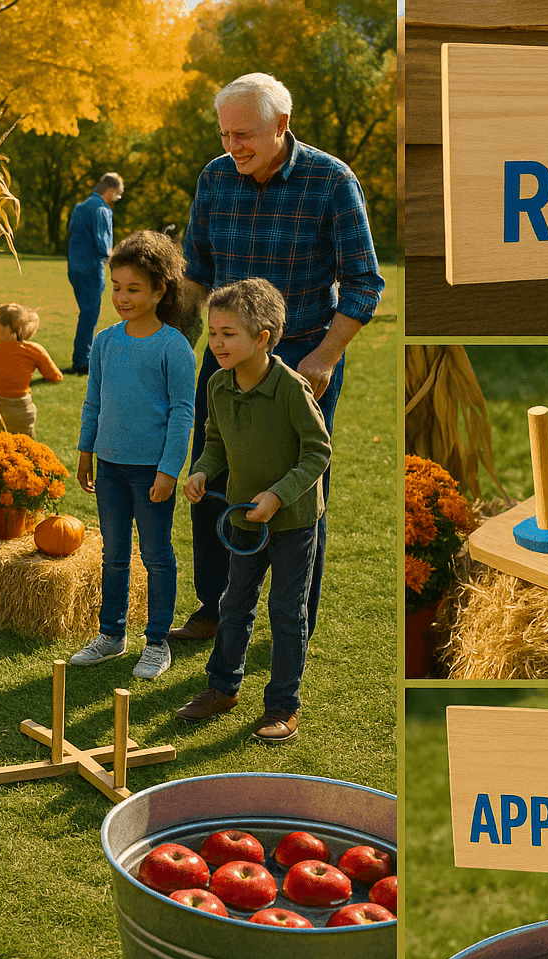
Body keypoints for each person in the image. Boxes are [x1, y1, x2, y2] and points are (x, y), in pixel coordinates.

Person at [168, 72, 384, 646]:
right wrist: (175, 344)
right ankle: (213, 607)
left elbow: (364, 283)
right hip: (224, 355)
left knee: (299, 494)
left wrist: (325, 357)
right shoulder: (215, 178)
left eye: (244, 134)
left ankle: (295, 622)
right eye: (224, 134)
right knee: (212, 476)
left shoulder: (332, 180)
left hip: (300, 359)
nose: (232, 146)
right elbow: (197, 273)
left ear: (282, 125)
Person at [178, 279, 329, 743]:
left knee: (286, 612)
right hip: (243, 519)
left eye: (229, 334)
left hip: (292, 523)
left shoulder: (292, 388)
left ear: (262, 338)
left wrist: (278, 496)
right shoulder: (217, 384)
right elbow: (215, 442)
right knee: (234, 603)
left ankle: (283, 706)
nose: (217, 342)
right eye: (213, 332)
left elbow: (318, 452)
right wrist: (202, 471)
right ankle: (223, 688)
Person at [70, 230, 194, 680]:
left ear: (160, 291)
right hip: (109, 468)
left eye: (134, 289)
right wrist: (86, 451)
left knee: (156, 556)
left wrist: (169, 470)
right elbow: (93, 401)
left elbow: (183, 413)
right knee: (114, 556)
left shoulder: (174, 346)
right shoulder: (105, 341)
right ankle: (111, 635)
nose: (122, 297)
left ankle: (157, 641)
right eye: (117, 287)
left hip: (152, 474)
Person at [64, 172, 124, 374]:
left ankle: (81, 356)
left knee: (86, 313)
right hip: (91, 268)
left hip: (75, 268)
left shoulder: (79, 207)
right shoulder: (102, 210)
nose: (117, 199)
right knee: (90, 314)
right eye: (118, 195)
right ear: (111, 191)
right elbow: (103, 245)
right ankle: (82, 360)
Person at [0, 303, 62, 438]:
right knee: (25, 446)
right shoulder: (34, 350)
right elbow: (55, 376)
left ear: (2, 327)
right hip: (23, 411)